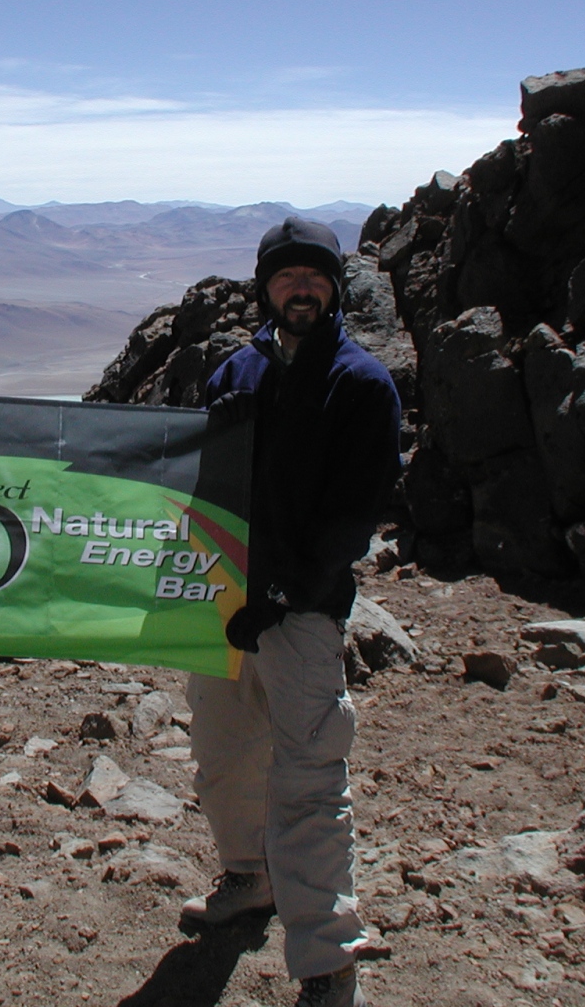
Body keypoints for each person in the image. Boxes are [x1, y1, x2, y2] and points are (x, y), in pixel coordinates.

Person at [182, 217, 402, 1007]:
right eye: (285, 276)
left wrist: (278, 596)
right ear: (265, 288)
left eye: (313, 276)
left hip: (301, 614)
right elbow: (196, 479)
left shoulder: (361, 383)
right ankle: (250, 877)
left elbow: (352, 519)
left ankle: (328, 961)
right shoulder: (235, 372)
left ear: (334, 288)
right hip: (222, 603)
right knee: (223, 754)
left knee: (308, 782)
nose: (299, 288)